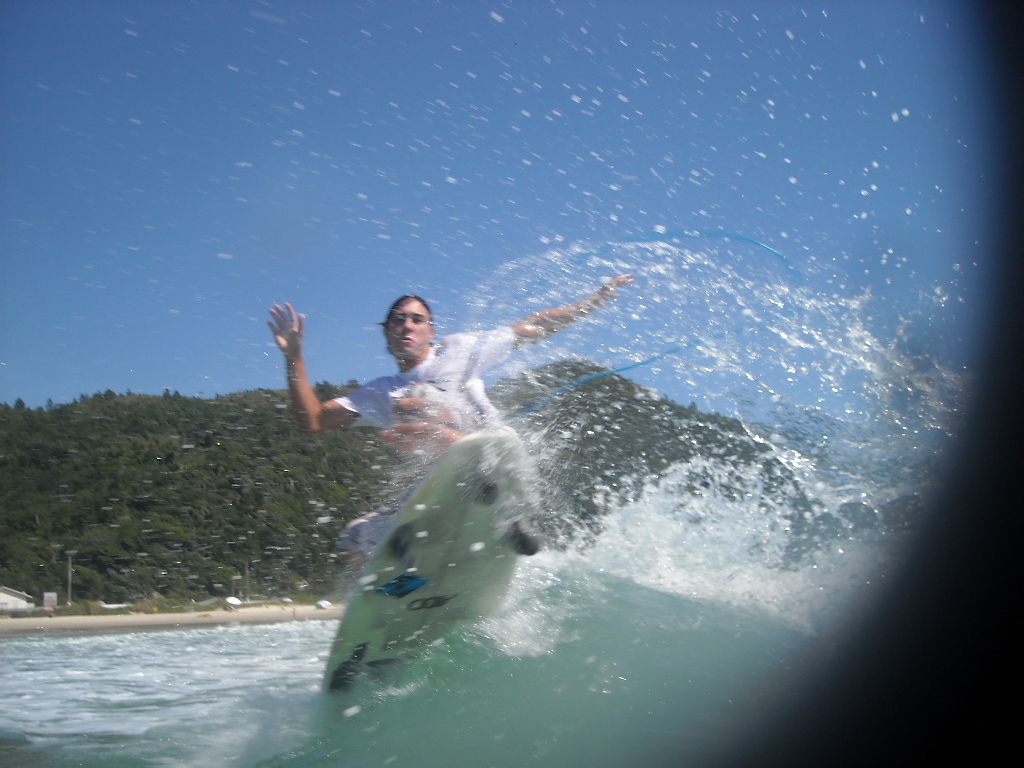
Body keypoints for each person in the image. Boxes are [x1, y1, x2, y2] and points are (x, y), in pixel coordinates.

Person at [267, 274, 633, 571]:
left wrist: (596, 299)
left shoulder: (459, 349)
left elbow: (533, 326)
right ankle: (398, 592)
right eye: (398, 320)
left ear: (431, 330)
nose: (406, 326)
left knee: (415, 401)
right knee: (355, 538)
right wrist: (294, 357)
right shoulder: (380, 392)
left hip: (491, 454)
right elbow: (313, 420)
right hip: (444, 481)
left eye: (416, 319)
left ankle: (501, 502)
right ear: (387, 333)